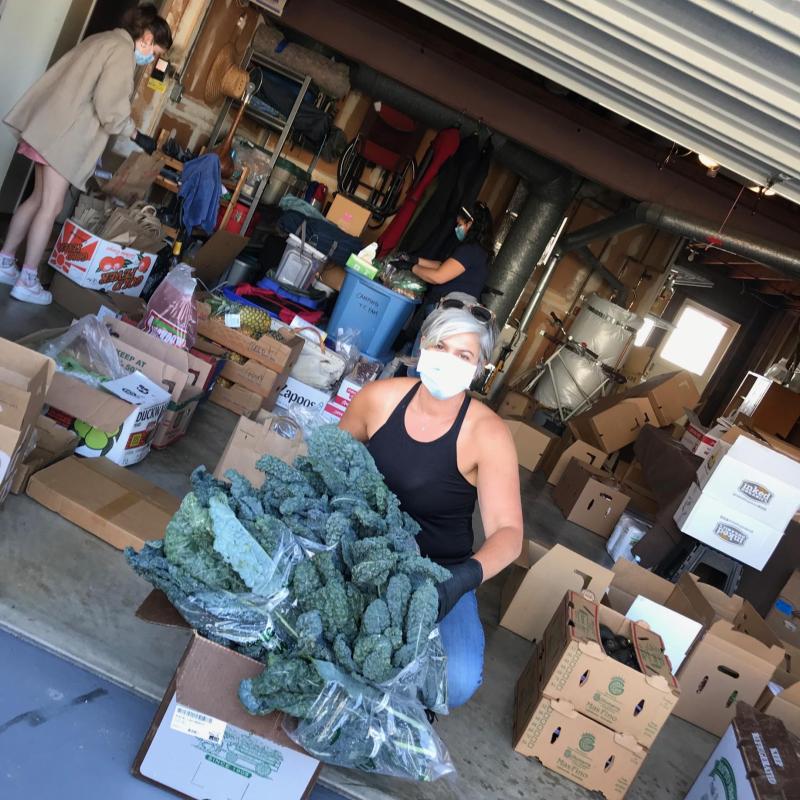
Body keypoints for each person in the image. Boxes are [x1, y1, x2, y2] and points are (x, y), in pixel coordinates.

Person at [339, 298, 523, 708]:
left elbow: (509, 535)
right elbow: (328, 463)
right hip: (363, 548)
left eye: (464, 355)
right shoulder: (377, 399)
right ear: (423, 344)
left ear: (479, 369)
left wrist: (459, 582)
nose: (448, 360)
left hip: (437, 573)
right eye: (440, 346)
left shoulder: (488, 434)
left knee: (455, 682)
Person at [0, 4, 172, 305]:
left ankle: (5, 260)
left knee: (37, 200)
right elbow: (110, 107)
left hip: (49, 128)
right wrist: (135, 134)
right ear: (146, 37)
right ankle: (27, 278)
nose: (151, 59)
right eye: (155, 52)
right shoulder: (121, 53)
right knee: (51, 207)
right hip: (65, 138)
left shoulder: (104, 39)